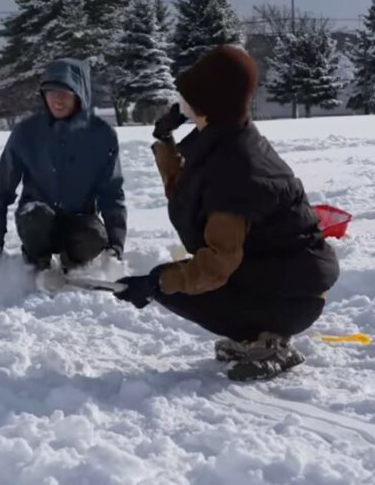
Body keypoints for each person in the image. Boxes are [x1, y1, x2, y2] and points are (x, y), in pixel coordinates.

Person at [112, 45, 340, 381]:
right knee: (174, 283)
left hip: (295, 294)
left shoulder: (237, 169)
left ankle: (269, 341)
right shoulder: (228, 138)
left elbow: (216, 267)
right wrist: (165, 139)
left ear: (208, 102)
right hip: (284, 279)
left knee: (175, 285)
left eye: (188, 93)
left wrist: (156, 282)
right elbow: (187, 192)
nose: (180, 98)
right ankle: (254, 334)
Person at [0, 58, 127, 277]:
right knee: (35, 219)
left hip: (79, 220)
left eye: (65, 93)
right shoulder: (26, 133)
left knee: (93, 236)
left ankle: (74, 265)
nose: (57, 100)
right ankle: (37, 262)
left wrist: (116, 246)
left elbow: (112, 193)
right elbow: (2, 190)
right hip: (37, 216)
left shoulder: (102, 135)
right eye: (51, 92)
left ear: (80, 95)